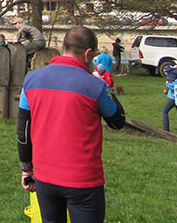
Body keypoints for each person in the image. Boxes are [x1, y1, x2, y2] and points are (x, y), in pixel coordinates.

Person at [17, 26, 125, 223]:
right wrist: (107, 87)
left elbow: (23, 131)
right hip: (83, 181)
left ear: (64, 46)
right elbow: (118, 121)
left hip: (45, 178)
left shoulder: (31, 80)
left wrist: (26, 169)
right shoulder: (94, 86)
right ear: (87, 54)